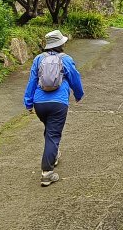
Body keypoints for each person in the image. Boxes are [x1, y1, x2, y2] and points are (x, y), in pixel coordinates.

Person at [23, 29, 84, 187]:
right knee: (53, 134)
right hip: (58, 103)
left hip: (40, 104)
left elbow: (32, 81)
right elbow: (75, 78)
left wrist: (28, 103)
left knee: (50, 131)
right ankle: (47, 173)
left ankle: (54, 155)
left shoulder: (38, 59)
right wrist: (78, 94)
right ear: (61, 44)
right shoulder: (66, 59)